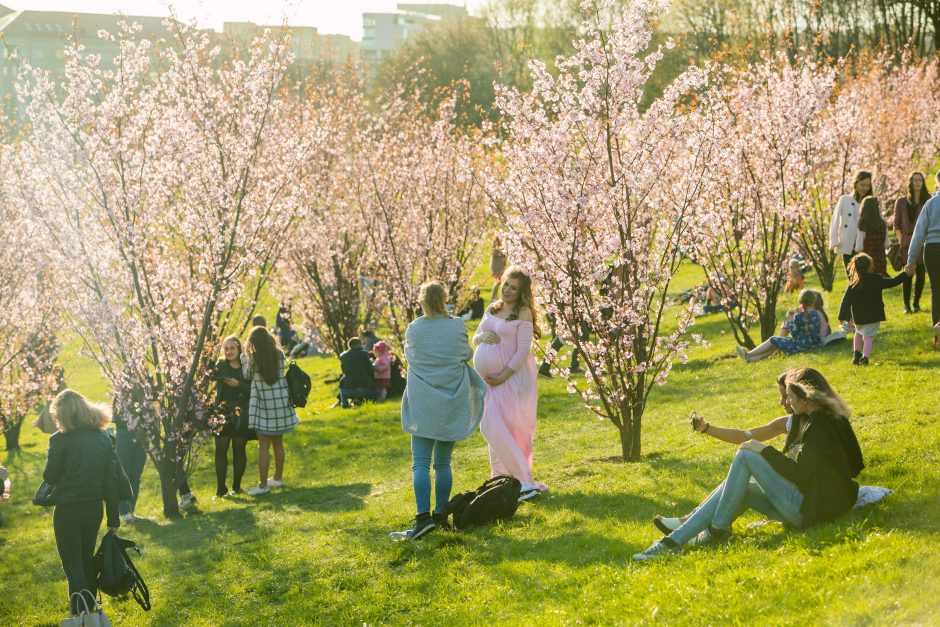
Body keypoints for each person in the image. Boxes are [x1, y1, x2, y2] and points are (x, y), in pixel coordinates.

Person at [634, 368, 863, 561]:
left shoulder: (819, 426)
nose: (787, 403)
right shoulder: (826, 418)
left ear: (807, 398)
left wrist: (765, 451)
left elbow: (801, 473)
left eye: (790, 397)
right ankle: (681, 538)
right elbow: (853, 464)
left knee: (746, 456)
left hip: (811, 510)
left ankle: (710, 531)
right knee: (740, 484)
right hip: (813, 503)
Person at [393, 281, 486, 540]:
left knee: (420, 463)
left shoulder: (414, 329)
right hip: (450, 399)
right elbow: (466, 353)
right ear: (444, 299)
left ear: (422, 301)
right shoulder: (456, 325)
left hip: (423, 399)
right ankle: (440, 515)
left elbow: (411, 357)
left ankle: (422, 519)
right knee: (443, 463)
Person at [43, 389, 125, 613]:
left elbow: (50, 476)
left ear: (62, 415)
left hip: (68, 510)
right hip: (93, 509)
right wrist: (114, 517)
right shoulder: (104, 438)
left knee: (73, 566)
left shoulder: (59, 440)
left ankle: (80, 614)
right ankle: (89, 611)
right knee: (85, 561)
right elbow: (112, 481)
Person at [473, 267, 547, 500]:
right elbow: (476, 336)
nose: (507, 290)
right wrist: (481, 338)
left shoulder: (523, 313)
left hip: (512, 378)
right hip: (489, 383)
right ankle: (503, 479)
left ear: (521, 292)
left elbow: (523, 350)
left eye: (513, 288)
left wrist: (503, 376)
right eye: (506, 284)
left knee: (504, 428)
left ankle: (524, 480)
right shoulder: (492, 308)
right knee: (492, 427)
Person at [243, 326, 298, 496]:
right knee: (278, 443)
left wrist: (245, 359)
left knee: (263, 446)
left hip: (263, 406)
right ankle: (277, 478)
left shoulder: (253, 358)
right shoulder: (279, 354)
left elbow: (246, 375)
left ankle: (262, 485)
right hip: (280, 403)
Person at [838, 253, 909, 366]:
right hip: (873, 316)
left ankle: (856, 354)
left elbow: (845, 301)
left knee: (858, 333)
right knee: (868, 338)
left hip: (858, 317)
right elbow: (893, 281)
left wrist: (842, 317)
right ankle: (865, 359)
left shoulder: (853, 284)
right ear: (870, 266)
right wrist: (905, 274)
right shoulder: (876, 279)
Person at [736, 289, 829, 362]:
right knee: (776, 344)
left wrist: (789, 319)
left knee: (773, 339)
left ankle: (750, 354)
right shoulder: (818, 314)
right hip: (815, 344)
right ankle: (751, 358)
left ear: (801, 302)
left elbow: (794, 333)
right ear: (814, 300)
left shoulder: (799, 316)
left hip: (800, 346)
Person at [211, 336, 253, 497]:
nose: (228, 351)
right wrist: (213, 355)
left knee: (239, 448)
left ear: (239, 348)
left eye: (232, 348)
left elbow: (252, 388)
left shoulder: (245, 365)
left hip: (241, 412)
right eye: (226, 349)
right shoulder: (221, 365)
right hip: (222, 412)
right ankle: (221, 488)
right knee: (220, 450)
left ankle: (237, 486)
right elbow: (208, 375)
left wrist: (239, 385)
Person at [905, 169, 940, 345]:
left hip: (933, 249)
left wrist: (911, 261)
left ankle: (938, 335)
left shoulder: (930, 204)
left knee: (936, 291)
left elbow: (918, 234)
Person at [894, 172, 929, 314]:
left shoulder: (928, 201)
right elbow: (896, 224)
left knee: (921, 273)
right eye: (915, 180)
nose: (917, 182)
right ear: (910, 182)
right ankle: (906, 305)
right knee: (907, 274)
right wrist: (901, 240)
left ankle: (916, 302)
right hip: (906, 243)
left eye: (920, 180)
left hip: (922, 242)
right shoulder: (901, 201)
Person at [113, 389, 148, 523]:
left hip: (143, 436)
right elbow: (117, 417)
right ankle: (123, 511)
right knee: (124, 474)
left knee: (136, 475)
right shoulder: (121, 392)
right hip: (125, 435)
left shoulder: (144, 392)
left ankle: (130, 510)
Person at [830, 170, 872, 269]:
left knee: (864, 277)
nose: (865, 188)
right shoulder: (845, 199)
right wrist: (834, 240)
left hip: (865, 243)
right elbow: (835, 220)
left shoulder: (871, 202)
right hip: (848, 241)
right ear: (856, 184)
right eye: (862, 185)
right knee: (852, 276)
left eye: (867, 185)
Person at [338, 337, 380, 408]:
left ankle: (345, 403)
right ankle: (364, 400)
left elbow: (344, 371)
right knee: (377, 392)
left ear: (349, 346)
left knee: (342, 389)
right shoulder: (364, 354)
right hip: (366, 388)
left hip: (349, 390)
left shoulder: (343, 356)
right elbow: (370, 370)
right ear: (359, 344)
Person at [853, 196, 891, 275]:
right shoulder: (882, 223)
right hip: (881, 259)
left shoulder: (862, 224)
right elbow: (887, 244)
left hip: (867, 262)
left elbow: (859, 247)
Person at [489, 236, 507, 303]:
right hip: (497, 267)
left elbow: (504, 256)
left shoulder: (501, 244)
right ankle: (493, 297)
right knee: (498, 282)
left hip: (500, 266)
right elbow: (495, 253)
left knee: (498, 282)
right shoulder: (495, 245)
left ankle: (494, 296)